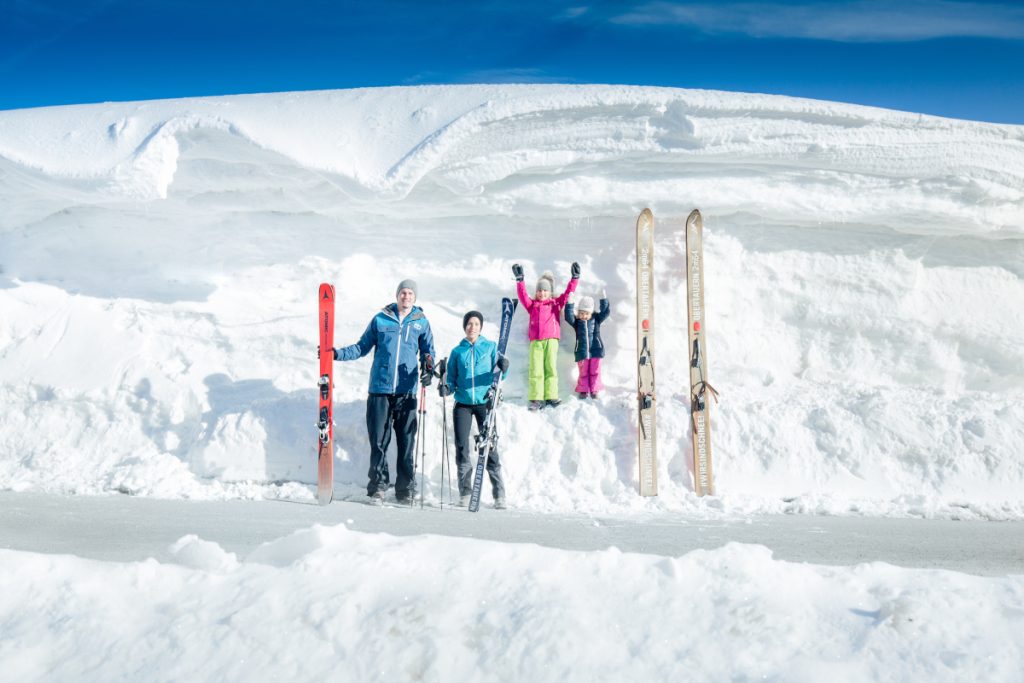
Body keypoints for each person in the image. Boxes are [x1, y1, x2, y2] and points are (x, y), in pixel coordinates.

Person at [329, 279, 435, 503]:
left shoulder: (421, 322)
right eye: (403, 293)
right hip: (380, 388)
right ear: (397, 295)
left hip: (407, 391)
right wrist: (336, 354)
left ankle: (405, 489)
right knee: (378, 440)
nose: (406, 296)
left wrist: (428, 365)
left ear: (415, 298)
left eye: (410, 293)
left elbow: (428, 351)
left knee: (406, 442)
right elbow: (361, 346)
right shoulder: (380, 319)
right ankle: (378, 486)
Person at [439, 310, 510, 509]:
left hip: (485, 403)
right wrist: (446, 388)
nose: (472, 327)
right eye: (469, 324)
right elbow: (451, 379)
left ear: (481, 327)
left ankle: (499, 494)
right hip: (462, 404)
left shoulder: (490, 347)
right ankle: (465, 491)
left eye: (476, 324)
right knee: (462, 446)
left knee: (489, 446)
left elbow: (501, 375)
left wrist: (505, 366)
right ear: (464, 326)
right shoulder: (457, 352)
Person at [512, 262, 580, 410]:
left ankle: (551, 396)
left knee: (551, 368)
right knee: (536, 369)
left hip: (551, 340)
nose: (542, 293)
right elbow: (523, 295)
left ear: (550, 292)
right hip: (536, 342)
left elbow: (568, 293)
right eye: (539, 291)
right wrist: (520, 279)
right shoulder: (532, 305)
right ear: (536, 292)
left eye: (545, 291)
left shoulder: (556, 304)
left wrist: (574, 279)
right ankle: (536, 398)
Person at [565, 290, 611, 399]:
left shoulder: (596, 320)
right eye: (581, 313)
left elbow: (605, 312)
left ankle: (594, 390)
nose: (584, 316)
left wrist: (603, 300)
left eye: (586, 313)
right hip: (582, 351)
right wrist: (570, 303)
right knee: (583, 372)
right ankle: (583, 390)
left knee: (595, 371)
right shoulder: (576, 322)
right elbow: (568, 316)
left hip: (596, 350)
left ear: (591, 313)